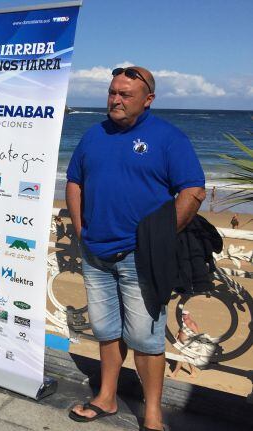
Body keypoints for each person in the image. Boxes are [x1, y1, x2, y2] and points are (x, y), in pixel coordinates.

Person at [66, 66, 205, 431]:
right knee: (106, 330)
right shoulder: (94, 135)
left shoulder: (168, 138)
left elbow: (193, 191)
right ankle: (107, 398)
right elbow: (74, 181)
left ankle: (154, 415)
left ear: (148, 100)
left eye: (125, 95)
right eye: (112, 92)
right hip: (95, 254)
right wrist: (81, 228)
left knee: (145, 337)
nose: (115, 99)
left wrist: (157, 238)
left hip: (139, 258)